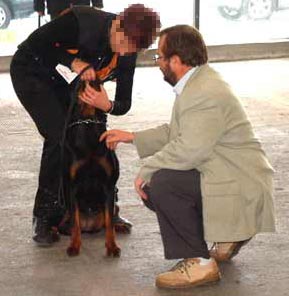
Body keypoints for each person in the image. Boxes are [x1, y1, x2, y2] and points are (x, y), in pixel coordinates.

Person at [100, 25, 276, 289]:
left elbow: (190, 149)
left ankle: (198, 262)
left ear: (176, 60)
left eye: (160, 57)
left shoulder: (203, 92)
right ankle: (230, 234)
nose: (158, 63)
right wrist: (133, 136)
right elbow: (178, 132)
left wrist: (146, 169)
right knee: (166, 180)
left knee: (161, 184)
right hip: (232, 175)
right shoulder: (199, 82)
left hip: (241, 185)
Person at [10, 4, 160, 246]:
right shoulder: (82, 21)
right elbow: (35, 44)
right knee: (59, 136)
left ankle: (106, 208)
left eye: (132, 49)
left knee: (96, 131)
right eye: (123, 43)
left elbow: (123, 102)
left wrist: (106, 104)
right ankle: (45, 216)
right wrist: (74, 61)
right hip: (32, 71)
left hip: (65, 81)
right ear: (118, 25)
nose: (124, 51)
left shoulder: (128, 50)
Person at [34, 0, 104, 21]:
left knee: (83, 35)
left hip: (82, 6)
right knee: (58, 36)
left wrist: (97, 4)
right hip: (57, 8)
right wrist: (39, 6)